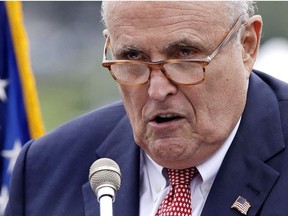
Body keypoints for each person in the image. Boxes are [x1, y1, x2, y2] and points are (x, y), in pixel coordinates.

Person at [5, 1, 288, 216]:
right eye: (132, 56)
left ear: (247, 45)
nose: (157, 90)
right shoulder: (44, 168)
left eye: (185, 55)